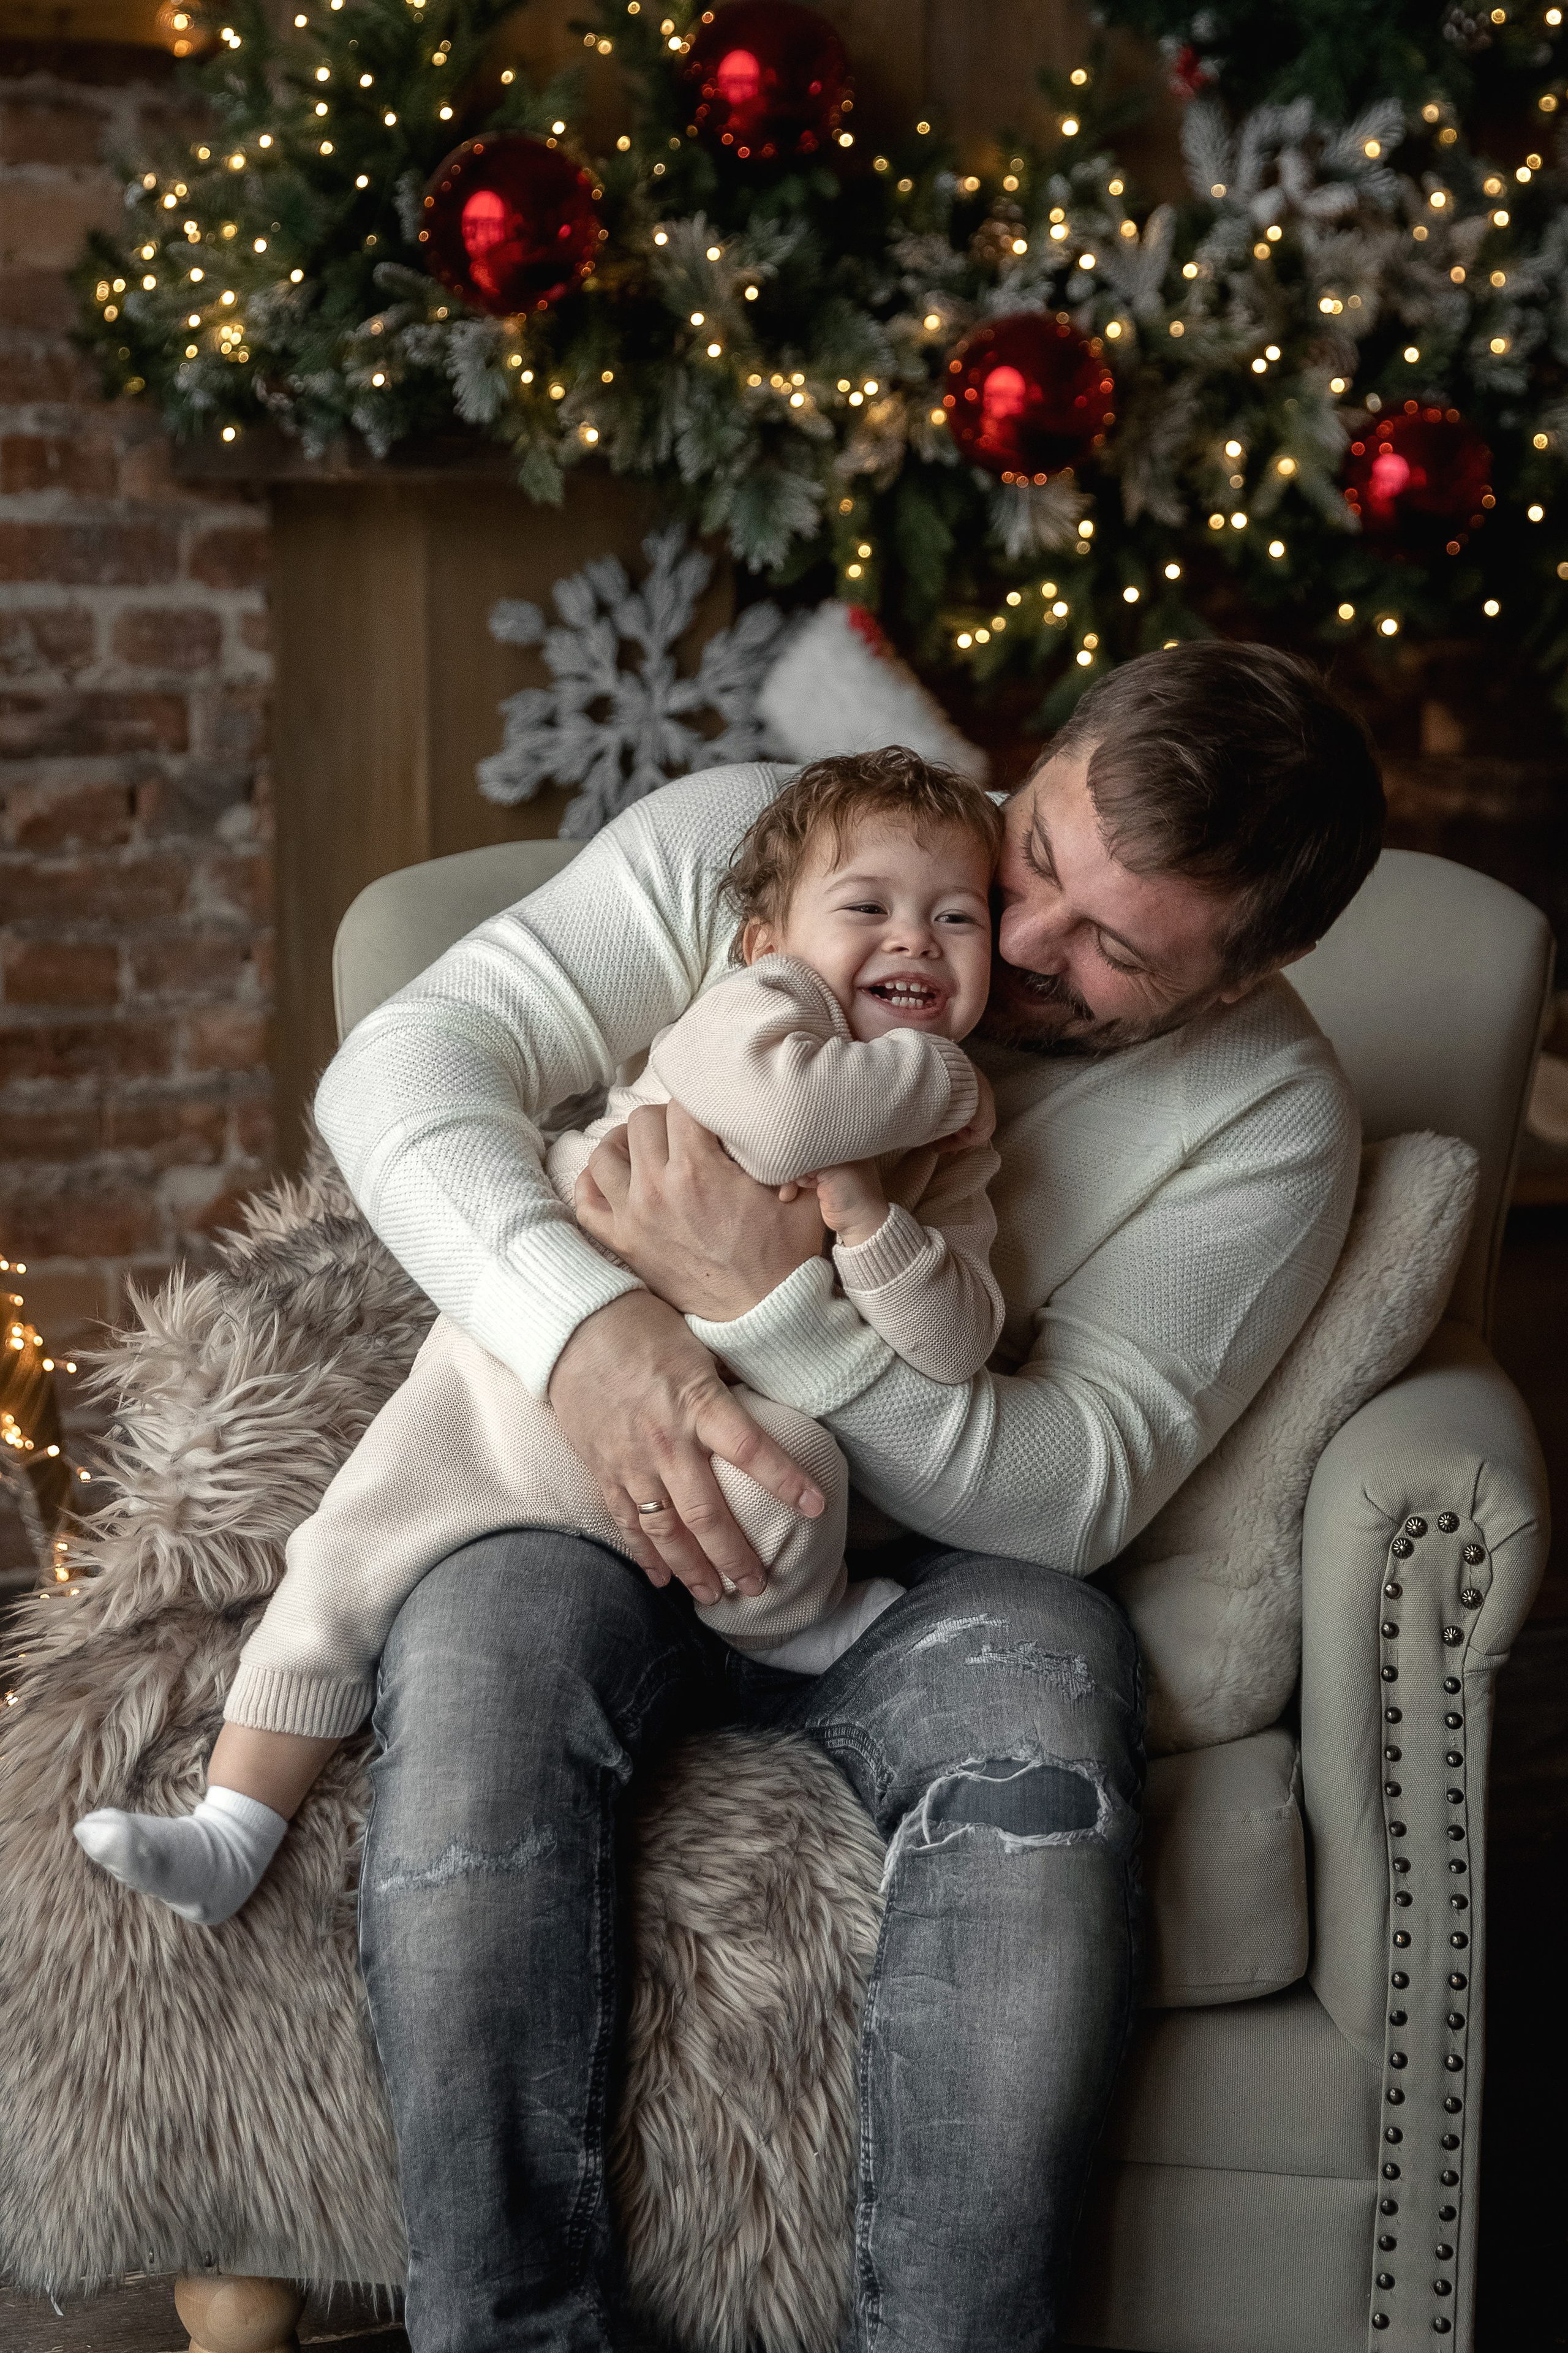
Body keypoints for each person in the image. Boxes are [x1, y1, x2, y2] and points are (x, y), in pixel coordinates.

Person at [260, 641, 1390, 2347]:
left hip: (941, 1578)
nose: (1013, 950)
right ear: (1045, 752)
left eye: (1114, 954)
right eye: (1040, 858)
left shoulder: (1271, 1116)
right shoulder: (767, 850)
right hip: (600, 1492)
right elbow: (402, 1072)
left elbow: (1073, 1488)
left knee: (1047, 1706)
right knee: (480, 1645)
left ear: (1243, 978)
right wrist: (598, 1337)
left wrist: (758, 1305)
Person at [73, 757, 1007, 1925]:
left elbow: (957, 1338)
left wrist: (875, 1231)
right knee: (341, 1561)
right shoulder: (765, 1011)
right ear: (766, 939)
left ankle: (796, 1634)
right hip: (524, 1367)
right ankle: (231, 1823)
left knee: (802, 1484)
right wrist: (938, 1074)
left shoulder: (955, 1153)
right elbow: (790, 1114)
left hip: (717, 1431)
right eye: (867, 908)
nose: (914, 941)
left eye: (956, 918)